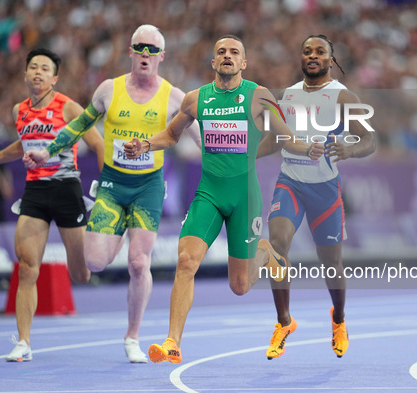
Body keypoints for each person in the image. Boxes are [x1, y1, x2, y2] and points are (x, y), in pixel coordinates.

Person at [122, 35, 324, 364]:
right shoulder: (195, 99)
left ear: (243, 63)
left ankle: (267, 256)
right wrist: (146, 144)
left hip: (244, 197)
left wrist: (309, 148)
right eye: (221, 52)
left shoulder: (258, 96)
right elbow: (172, 135)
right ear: (213, 63)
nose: (227, 56)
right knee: (186, 261)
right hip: (209, 193)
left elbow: (285, 135)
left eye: (234, 52)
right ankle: (173, 342)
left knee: (240, 286)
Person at [23, 25, 200, 363]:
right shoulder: (109, 89)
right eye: (140, 47)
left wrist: (225, 169)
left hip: (148, 187)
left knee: (138, 262)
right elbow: (80, 125)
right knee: (96, 262)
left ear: (162, 56)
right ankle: (118, 229)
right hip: (112, 186)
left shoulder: (174, 97)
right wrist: (48, 152)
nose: (145, 54)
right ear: (130, 52)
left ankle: (132, 336)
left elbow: (200, 140)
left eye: (152, 49)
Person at [0, 48, 104, 361]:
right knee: (27, 267)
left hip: (67, 189)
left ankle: (104, 242)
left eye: (45, 69)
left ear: (55, 77)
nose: (38, 73)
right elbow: (22, 145)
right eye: (33, 68)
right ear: (26, 74)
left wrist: (106, 186)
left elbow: (97, 142)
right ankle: (24, 342)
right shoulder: (19, 111)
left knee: (81, 274)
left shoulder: (68, 107)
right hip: (35, 193)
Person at [257, 35, 377, 359]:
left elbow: (371, 139)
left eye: (319, 52)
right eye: (307, 51)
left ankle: (338, 319)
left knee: (331, 264)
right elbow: (275, 140)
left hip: (325, 189)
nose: (312, 56)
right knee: (276, 246)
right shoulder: (289, 95)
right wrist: (243, 157)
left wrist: (350, 150)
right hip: (290, 183)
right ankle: (284, 322)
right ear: (301, 58)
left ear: (330, 59)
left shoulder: (342, 96)